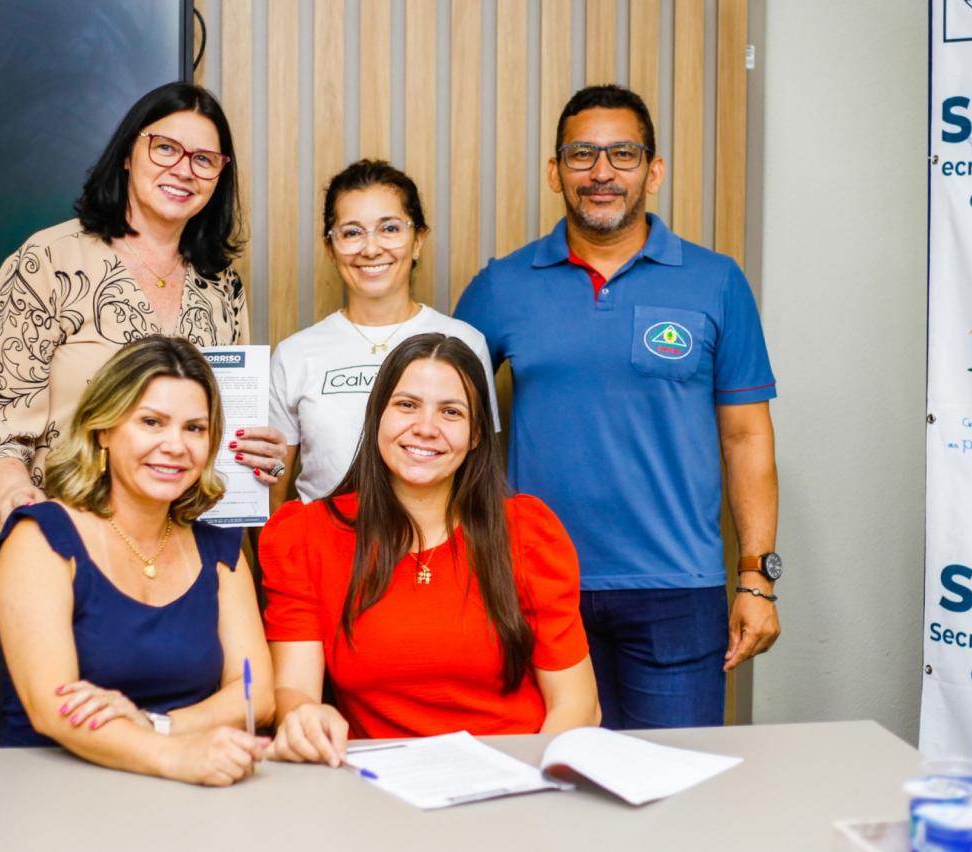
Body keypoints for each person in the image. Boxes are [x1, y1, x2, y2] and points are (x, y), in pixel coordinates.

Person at [454, 85, 781, 730]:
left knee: (674, 783)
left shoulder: (717, 281)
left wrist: (757, 577)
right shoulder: (501, 286)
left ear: (653, 172)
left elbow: (746, 437)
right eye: (582, 154)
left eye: (623, 154)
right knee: (549, 782)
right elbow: (437, 419)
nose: (601, 172)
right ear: (556, 172)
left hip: (677, 592)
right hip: (534, 585)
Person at [259, 333, 598, 765]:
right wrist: (304, 716)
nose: (425, 427)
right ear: (377, 416)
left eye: (451, 412)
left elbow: (577, 704)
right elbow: (294, 689)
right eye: (406, 405)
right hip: (376, 784)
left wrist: (533, 782)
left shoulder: (527, 533)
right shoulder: (307, 535)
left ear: (476, 434)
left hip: (515, 778)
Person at [0, 82, 286, 522]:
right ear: (128, 154)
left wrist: (258, 456)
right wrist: (15, 494)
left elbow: (215, 426)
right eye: (165, 148)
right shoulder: (48, 261)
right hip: (63, 529)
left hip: (181, 538)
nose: (184, 170)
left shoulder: (221, 284)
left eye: (204, 159)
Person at [0, 335, 273, 786]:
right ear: (104, 429)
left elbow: (256, 695)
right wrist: (176, 757)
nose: (176, 445)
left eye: (195, 428)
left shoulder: (220, 551)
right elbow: (53, 708)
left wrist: (156, 725)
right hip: (54, 790)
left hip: (187, 789)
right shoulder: (40, 537)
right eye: (152, 422)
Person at [267, 160, 497, 514]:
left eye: (389, 228)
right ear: (331, 248)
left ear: (418, 240)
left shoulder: (464, 343)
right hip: (325, 546)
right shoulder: (295, 354)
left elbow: (480, 475)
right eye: (352, 232)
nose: (371, 248)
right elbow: (273, 488)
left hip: (435, 547)